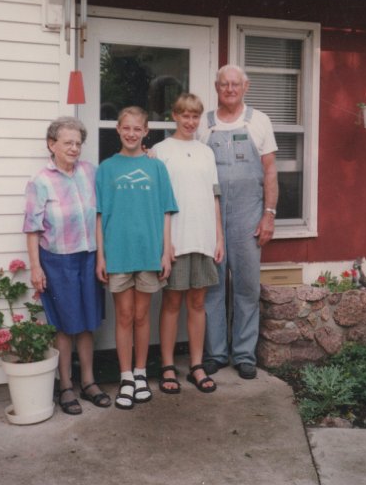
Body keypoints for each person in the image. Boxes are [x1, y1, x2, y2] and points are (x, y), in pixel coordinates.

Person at [23, 116, 110, 416]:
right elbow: (32, 229)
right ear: (52, 145)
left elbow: (101, 213)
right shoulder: (40, 181)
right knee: (64, 325)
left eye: (78, 143)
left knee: (87, 322)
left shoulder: (90, 172)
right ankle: (66, 387)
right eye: (67, 142)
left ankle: (89, 381)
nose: (74, 148)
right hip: (57, 260)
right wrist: (35, 267)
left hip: (88, 256)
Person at [197, 65, 278, 379]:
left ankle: (244, 354)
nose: (229, 89)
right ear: (216, 87)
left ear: (246, 87)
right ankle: (216, 353)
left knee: (245, 286)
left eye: (235, 84)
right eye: (224, 84)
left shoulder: (259, 121)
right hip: (212, 217)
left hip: (248, 215)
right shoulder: (204, 124)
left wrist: (268, 215)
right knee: (212, 286)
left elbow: (270, 171)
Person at [95, 106, 178, 410]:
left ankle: (142, 373)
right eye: (126, 128)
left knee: (142, 316)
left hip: (148, 254)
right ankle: (126, 376)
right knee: (124, 316)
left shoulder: (157, 168)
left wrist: (166, 252)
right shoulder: (106, 168)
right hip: (117, 254)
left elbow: (167, 211)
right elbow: (99, 215)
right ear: (118, 129)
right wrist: (100, 256)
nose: (131, 133)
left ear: (146, 132)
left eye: (137, 129)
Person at [152, 94, 224, 395]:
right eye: (185, 116)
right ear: (174, 116)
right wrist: (163, 244)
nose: (190, 122)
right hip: (176, 239)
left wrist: (219, 236)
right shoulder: (160, 151)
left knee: (197, 303)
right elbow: (156, 202)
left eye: (195, 116)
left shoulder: (206, 152)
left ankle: (196, 365)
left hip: (203, 237)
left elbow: (214, 196)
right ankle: (167, 364)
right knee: (171, 303)